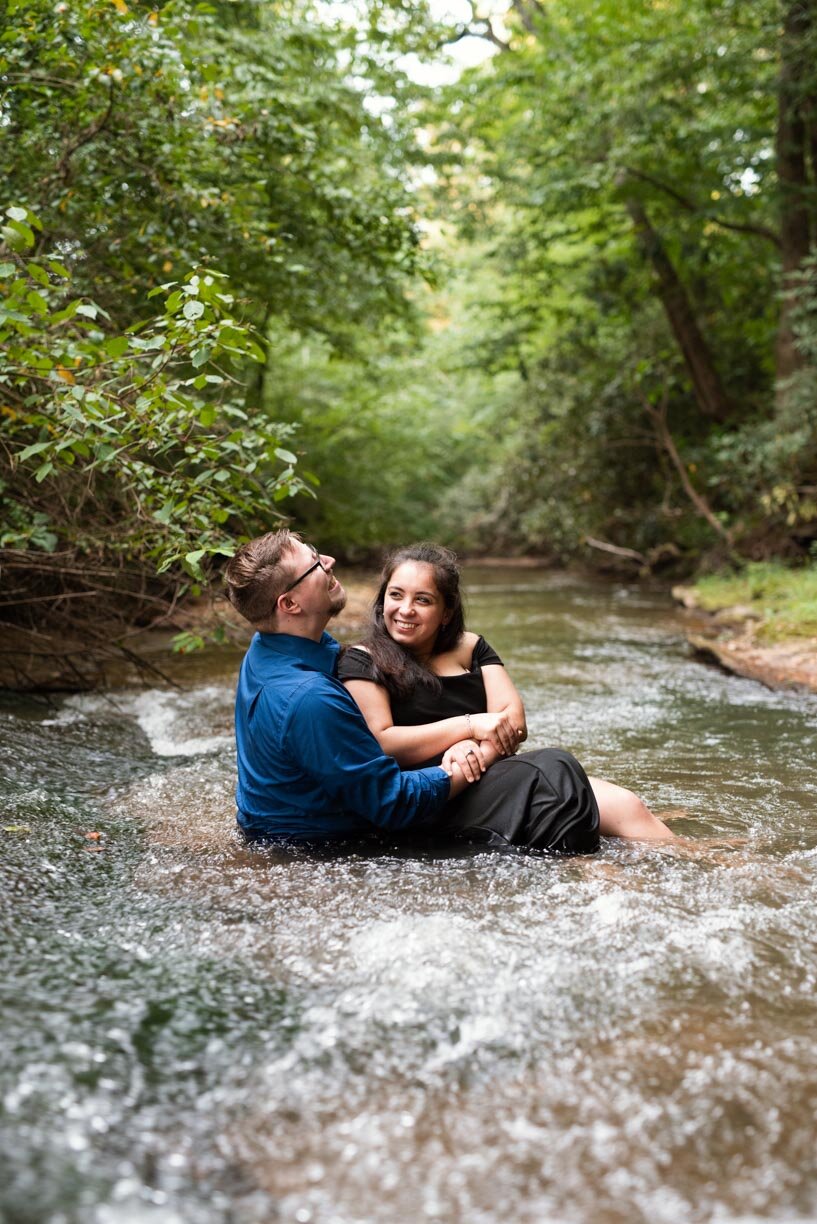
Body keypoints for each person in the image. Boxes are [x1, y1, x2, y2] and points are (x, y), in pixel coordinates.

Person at [338, 542, 676, 850]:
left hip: (489, 773)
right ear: (383, 600)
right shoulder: (363, 659)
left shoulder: (470, 647)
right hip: (433, 796)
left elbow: (513, 723)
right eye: (396, 595)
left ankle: (700, 857)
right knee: (554, 769)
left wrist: (476, 757)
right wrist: (468, 727)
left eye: (422, 599)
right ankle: (585, 870)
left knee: (625, 804)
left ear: (447, 612)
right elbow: (382, 741)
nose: (405, 609)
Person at [224, 529, 481, 843]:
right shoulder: (310, 698)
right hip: (315, 854)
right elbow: (393, 803)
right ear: (290, 604)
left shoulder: (266, 646)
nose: (329, 562)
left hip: (271, 828)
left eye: (316, 550)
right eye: (315, 564)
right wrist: (473, 756)